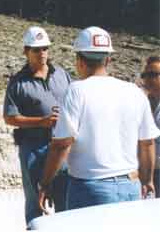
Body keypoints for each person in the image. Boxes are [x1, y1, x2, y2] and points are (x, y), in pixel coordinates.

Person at [38, 27, 160, 213]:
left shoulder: (76, 91)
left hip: (90, 189)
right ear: (108, 59)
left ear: (79, 61)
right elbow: (148, 143)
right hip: (131, 186)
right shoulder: (134, 92)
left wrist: (45, 183)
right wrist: (148, 180)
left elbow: (62, 144)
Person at [3, 26, 71, 226]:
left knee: (64, 199)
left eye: (44, 48)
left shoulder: (62, 75)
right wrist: (42, 122)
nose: (42, 53)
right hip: (33, 149)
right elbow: (9, 117)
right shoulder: (17, 83)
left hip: (63, 148)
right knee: (35, 202)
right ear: (26, 51)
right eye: (36, 49)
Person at [141, 56, 160, 197]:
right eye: (145, 75)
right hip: (149, 173)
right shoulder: (143, 103)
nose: (148, 79)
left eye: (153, 75)